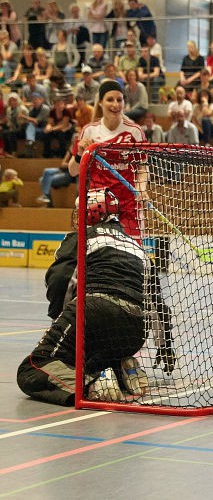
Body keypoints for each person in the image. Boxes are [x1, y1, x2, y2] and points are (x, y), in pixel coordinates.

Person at [17, 189, 148, 406]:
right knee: (82, 352)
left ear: (91, 214)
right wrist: (165, 346)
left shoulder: (82, 237)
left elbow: (61, 279)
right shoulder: (136, 246)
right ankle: (122, 365)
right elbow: (157, 302)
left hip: (94, 310)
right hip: (136, 330)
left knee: (33, 368)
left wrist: (58, 316)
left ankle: (93, 383)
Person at [68, 80, 148, 240]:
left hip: (128, 203)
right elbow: (72, 171)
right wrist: (80, 154)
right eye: (110, 99)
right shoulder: (89, 131)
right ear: (100, 103)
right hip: (98, 203)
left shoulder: (135, 131)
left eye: (119, 100)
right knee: (98, 256)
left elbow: (142, 167)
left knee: (132, 255)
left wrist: (142, 188)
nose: (116, 104)